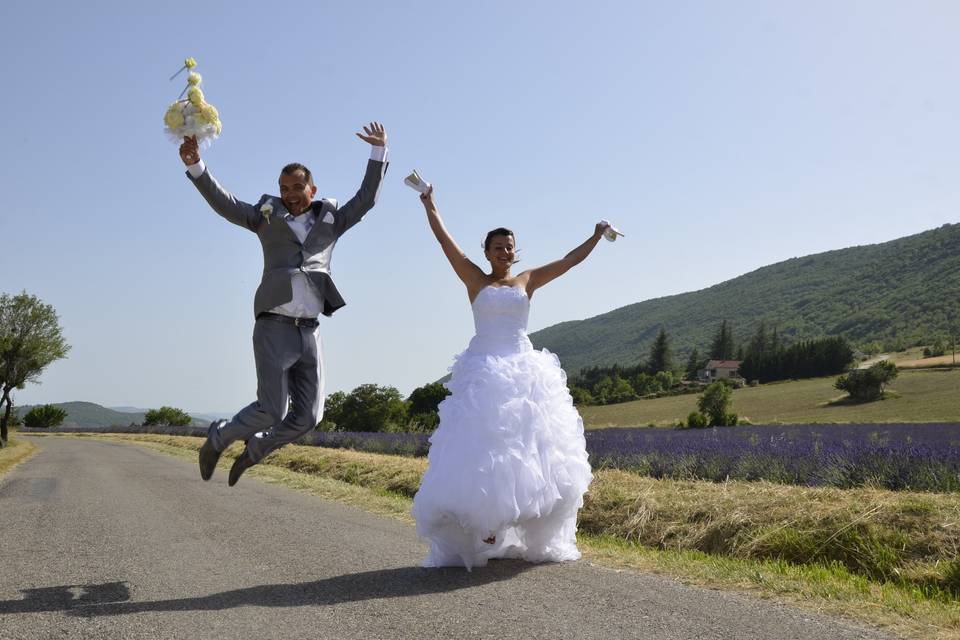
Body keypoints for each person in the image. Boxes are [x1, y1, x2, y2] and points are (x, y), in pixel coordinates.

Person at [178, 123, 388, 486]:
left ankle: (255, 450)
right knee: (272, 408)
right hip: (274, 325)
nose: (290, 194)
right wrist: (198, 166)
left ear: (312, 189)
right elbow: (226, 205)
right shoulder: (266, 217)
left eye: (297, 188)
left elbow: (366, 198)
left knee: (308, 417)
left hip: (310, 329)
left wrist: (378, 152)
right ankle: (218, 438)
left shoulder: (332, 219)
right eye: (284, 189)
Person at [411, 184, 607, 569]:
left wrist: (596, 236)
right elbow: (444, 240)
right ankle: (485, 525)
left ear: (516, 252)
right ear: (486, 253)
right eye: (498, 247)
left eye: (509, 246)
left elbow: (569, 260)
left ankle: (520, 521)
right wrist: (430, 204)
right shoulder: (474, 279)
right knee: (484, 449)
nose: (505, 252)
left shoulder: (528, 280)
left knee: (528, 450)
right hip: (484, 369)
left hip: (524, 369)